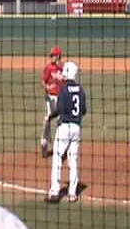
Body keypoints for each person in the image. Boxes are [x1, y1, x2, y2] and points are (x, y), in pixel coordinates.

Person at [45, 62, 87, 203]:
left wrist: (51, 116)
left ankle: (54, 191)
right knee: (73, 160)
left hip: (64, 128)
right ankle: (72, 194)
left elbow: (60, 109)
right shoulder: (81, 90)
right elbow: (84, 110)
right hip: (77, 128)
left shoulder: (63, 90)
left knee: (57, 157)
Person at [40, 46, 64, 158]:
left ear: (58, 56)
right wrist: (48, 88)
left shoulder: (61, 69)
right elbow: (43, 81)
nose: (52, 57)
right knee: (47, 121)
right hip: (50, 97)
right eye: (52, 55)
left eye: (54, 55)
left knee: (61, 121)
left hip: (60, 98)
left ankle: (59, 147)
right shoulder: (48, 68)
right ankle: (44, 145)